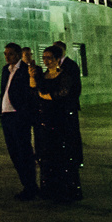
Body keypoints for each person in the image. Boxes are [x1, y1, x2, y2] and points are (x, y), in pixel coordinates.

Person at [34, 42, 83, 201]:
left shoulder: (65, 74)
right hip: (46, 118)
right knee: (48, 153)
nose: (46, 61)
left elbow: (65, 92)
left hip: (61, 118)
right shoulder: (43, 75)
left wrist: (48, 96)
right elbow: (36, 88)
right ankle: (50, 189)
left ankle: (66, 190)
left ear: (57, 58)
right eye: (44, 58)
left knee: (63, 153)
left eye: (49, 58)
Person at [0, 43, 39, 200]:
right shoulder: (5, 70)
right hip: (6, 116)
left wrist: (24, 112)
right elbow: (4, 91)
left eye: (10, 54)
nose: (7, 56)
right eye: (5, 53)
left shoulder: (25, 70)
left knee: (24, 152)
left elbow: (30, 93)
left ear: (17, 54)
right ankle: (27, 184)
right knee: (14, 152)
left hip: (18, 116)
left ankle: (30, 186)